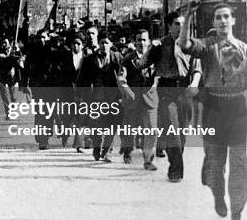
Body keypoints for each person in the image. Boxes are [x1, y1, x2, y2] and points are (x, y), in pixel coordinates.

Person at [179, 1, 247, 220]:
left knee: (240, 164)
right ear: (213, 22)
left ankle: (237, 214)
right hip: (215, 109)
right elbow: (185, 44)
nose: (222, 21)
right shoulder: (207, 46)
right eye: (218, 17)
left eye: (226, 16)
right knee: (215, 164)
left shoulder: (244, 49)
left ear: (233, 20)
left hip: (238, 109)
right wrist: (187, 18)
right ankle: (218, 195)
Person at [134, 11, 201, 182]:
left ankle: (176, 163)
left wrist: (194, 84)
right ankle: (175, 170)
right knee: (172, 131)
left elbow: (197, 70)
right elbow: (141, 64)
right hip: (166, 91)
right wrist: (150, 48)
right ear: (169, 26)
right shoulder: (159, 45)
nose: (181, 27)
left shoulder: (191, 45)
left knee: (183, 134)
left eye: (183, 24)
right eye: (177, 24)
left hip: (185, 91)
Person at [76, 33, 123, 162]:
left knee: (111, 125)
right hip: (94, 98)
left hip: (113, 97)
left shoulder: (118, 58)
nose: (104, 45)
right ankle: (97, 146)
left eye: (106, 42)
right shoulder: (88, 59)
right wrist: (79, 97)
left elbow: (123, 76)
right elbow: (81, 79)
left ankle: (107, 151)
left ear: (111, 44)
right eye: (101, 42)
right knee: (95, 125)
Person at [117, 29, 159, 170]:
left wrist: (156, 84)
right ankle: (127, 151)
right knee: (130, 130)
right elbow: (122, 77)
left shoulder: (155, 58)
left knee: (152, 129)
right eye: (139, 39)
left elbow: (159, 75)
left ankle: (148, 160)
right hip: (133, 100)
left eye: (144, 39)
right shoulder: (128, 59)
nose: (141, 42)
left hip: (150, 99)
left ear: (148, 41)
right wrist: (127, 92)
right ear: (134, 42)